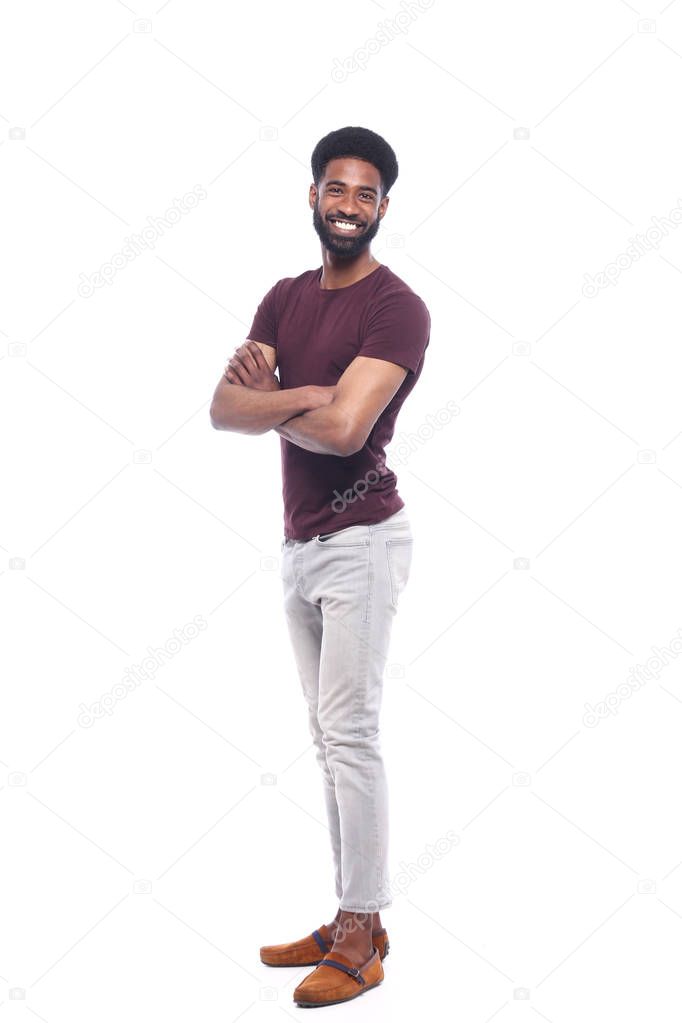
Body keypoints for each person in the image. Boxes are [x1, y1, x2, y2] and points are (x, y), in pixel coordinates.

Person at [209, 125, 431, 1007]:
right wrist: (306, 393)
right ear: (312, 197)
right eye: (335, 190)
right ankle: (355, 917)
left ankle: (363, 930)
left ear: (383, 208)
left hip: (364, 540)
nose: (348, 206)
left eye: (365, 194)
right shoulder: (284, 297)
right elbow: (224, 410)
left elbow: (347, 435)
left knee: (351, 735)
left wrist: (280, 399)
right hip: (300, 543)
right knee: (325, 739)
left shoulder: (396, 308)